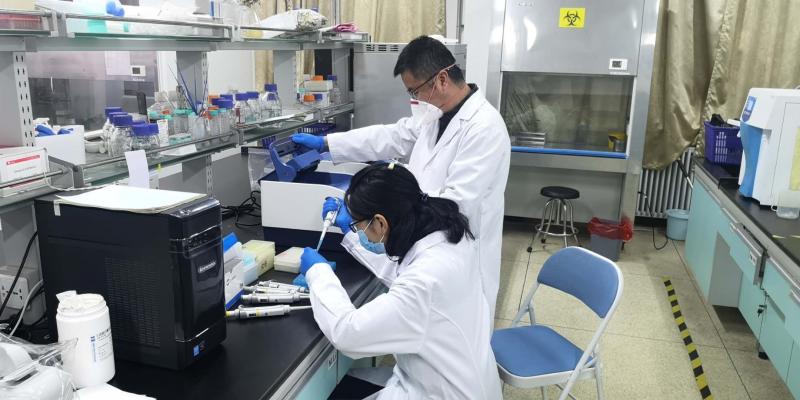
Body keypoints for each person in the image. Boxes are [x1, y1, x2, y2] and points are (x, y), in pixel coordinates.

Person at [293, 35, 510, 318]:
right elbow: (392, 136)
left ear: (442, 79)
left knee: (447, 333)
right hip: (424, 250)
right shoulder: (436, 115)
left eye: (415, 91)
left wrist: (378, 216)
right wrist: (327, 144)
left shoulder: (484, 128)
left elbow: (455, 205)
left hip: (459, 258)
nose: (414, 99)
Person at [297, 163, 502, 400]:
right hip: (456, 376)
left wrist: (318, 272)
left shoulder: (424, 281)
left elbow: (348, 333)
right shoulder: (448, 236)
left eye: (358, 225)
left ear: (381, 223)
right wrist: (351, 234)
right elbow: (401, 270)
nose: (359, 232)